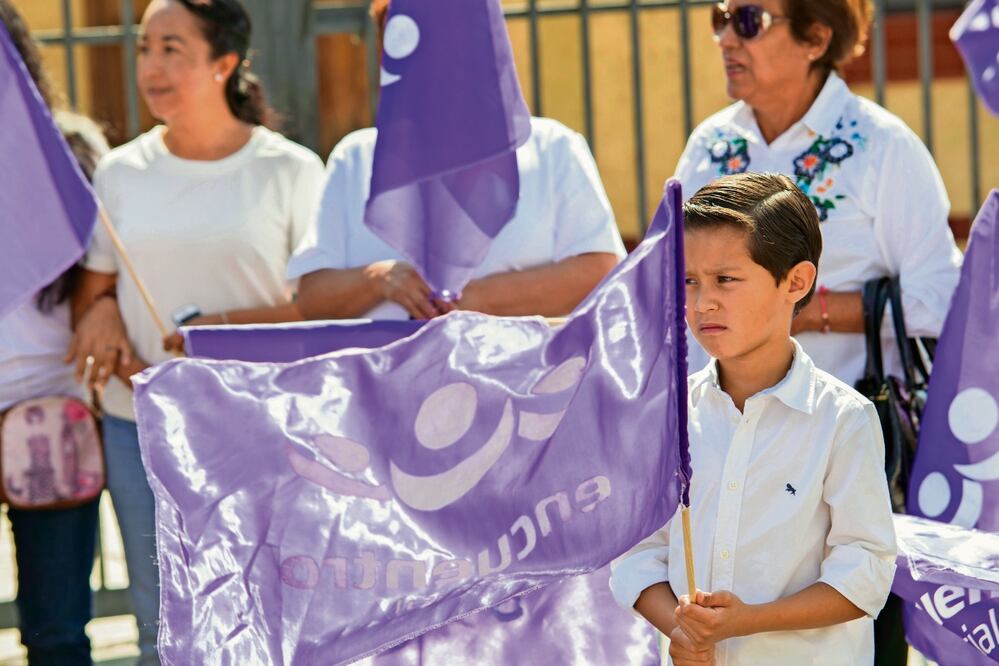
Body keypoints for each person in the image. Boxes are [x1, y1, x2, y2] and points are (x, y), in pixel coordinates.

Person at [68, 0, 324, 661]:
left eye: (172, 48)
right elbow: (95, 285)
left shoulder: (290, 171)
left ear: (225, 63)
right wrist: (98, 310)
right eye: (145, 47)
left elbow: (320, 304)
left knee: (270, 612)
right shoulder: (120, 172)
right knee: (164, 622)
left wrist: (223, 333)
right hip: (142, 427)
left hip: (263, 428)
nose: (150, 65)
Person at [610, 173, 897, 665]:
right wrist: (680, 630)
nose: (703, 303)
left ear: (797, 282)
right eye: (689, 281)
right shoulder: (666, 417)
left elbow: (864, 572)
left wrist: (748, 620)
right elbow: (635, 554)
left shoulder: (843, 420)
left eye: (726, 279)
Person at [676, 0, 961, 381]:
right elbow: (666, 282)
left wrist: (807, 310)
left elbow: (939, 299)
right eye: (721, 18)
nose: (725, 40)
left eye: (748, 22)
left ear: (815, 38)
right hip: (717, 428)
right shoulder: (707, 144)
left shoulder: (881, 146)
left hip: (842, 429)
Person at [291, 0, 625, 321]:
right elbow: (311, 297)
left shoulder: (554, 148)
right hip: (389, 378)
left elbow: (599, 270)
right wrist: (378, 280)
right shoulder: (354, 157)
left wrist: (473, 300)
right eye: (402, 42)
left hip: (520, 376)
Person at [0, 3, 112, 663]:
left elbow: (112, 271)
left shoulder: (69, 147)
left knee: (57, 632)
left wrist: (104, 307)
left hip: (51, 413)